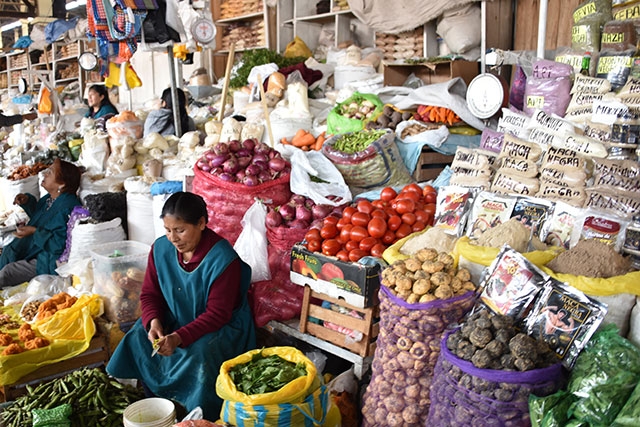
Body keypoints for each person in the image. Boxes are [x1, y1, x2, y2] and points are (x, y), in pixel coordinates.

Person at [107, 192, 256, 419]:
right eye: (167, 230)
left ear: (202, 223)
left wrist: (179, 337)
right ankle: (161, 404)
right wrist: (153, 322)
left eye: (180, 230)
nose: (173, 238)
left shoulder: (223, 260)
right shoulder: (160, 249)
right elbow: (149, 294)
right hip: (177, 316)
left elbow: (218, 314)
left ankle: (198, 415)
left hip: (220, 328)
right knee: (138, 336)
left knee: (199, 356)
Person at [0, 159, 81, 286]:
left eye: (50, 172)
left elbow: (59, 245)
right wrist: (28, 202)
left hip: (47, 258)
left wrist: (34, 232)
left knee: (7, 273)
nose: (45, 174)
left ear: (62, 184)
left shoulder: (68, 207)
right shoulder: (49, 199)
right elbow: (42, 219)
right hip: (35, 248)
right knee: (8, 251)